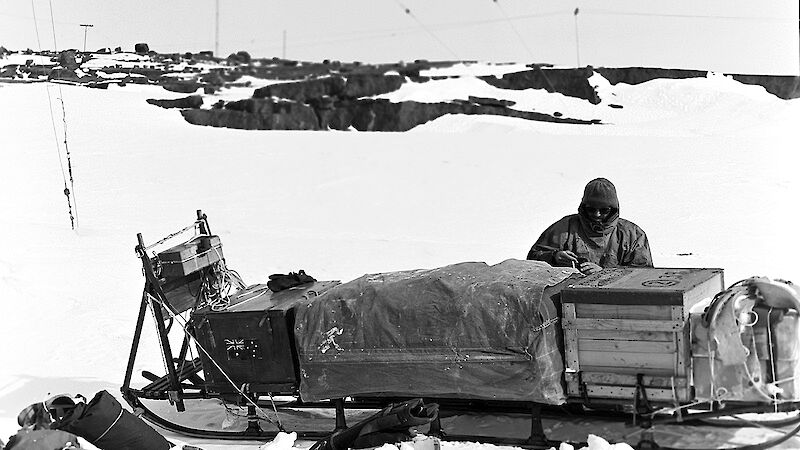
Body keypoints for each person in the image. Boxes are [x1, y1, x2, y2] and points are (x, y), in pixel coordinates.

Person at [526, 177, 653, 274]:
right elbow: (532, 261)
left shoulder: (632, 234)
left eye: (604, 210)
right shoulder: (564, 229)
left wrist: (604, 273)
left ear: (613, 209)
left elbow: (643, 274)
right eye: (591, 209)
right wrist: (555, 257)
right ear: (584, 207)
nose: (597, 215)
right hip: (569, 298)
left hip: (619, 301)